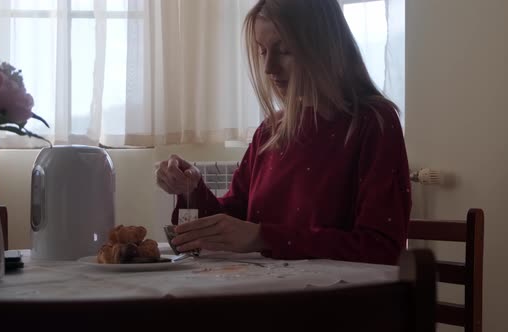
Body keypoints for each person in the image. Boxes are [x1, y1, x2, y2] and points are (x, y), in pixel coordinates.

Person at [155, 0, 410, 265]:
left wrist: (264, 237)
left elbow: (381, 247)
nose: (268, 68)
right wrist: (191, 189)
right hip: (270, 292)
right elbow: (234, 221)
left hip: (336, 301)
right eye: (262, 51)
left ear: (325, 48)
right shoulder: (270, 131)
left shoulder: (373, 123)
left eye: (285, 50)